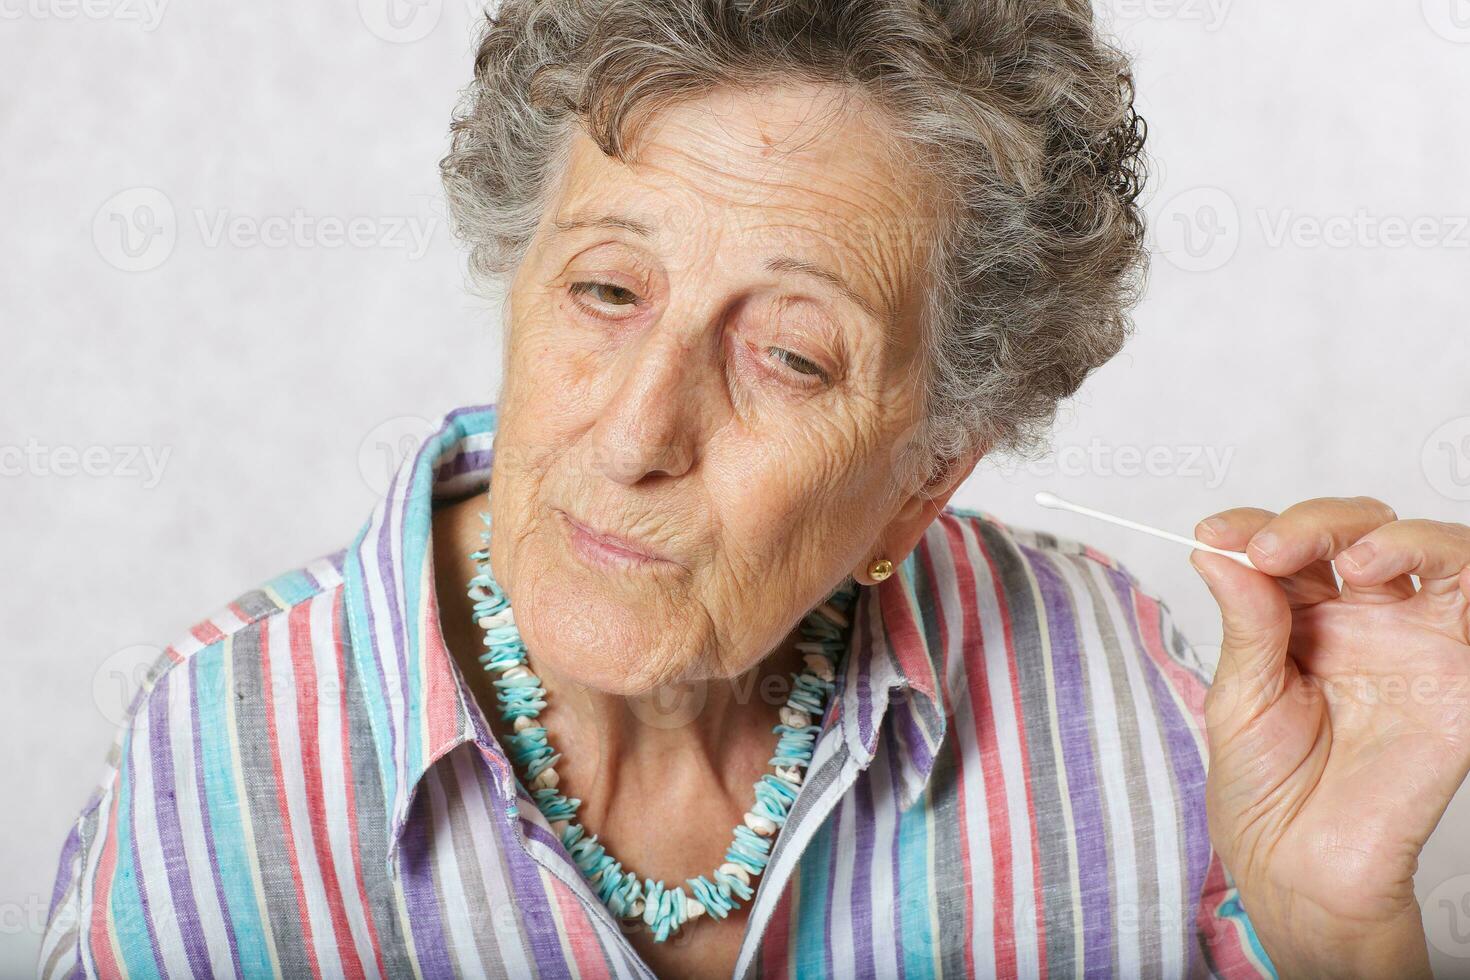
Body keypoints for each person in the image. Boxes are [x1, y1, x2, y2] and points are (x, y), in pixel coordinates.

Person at [39, 2, 1470, 977]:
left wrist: (1335, 929)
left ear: (924, 480)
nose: (635, 433)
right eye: (606, 289)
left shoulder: (1115, 689)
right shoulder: (223, 759)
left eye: (789, 354)